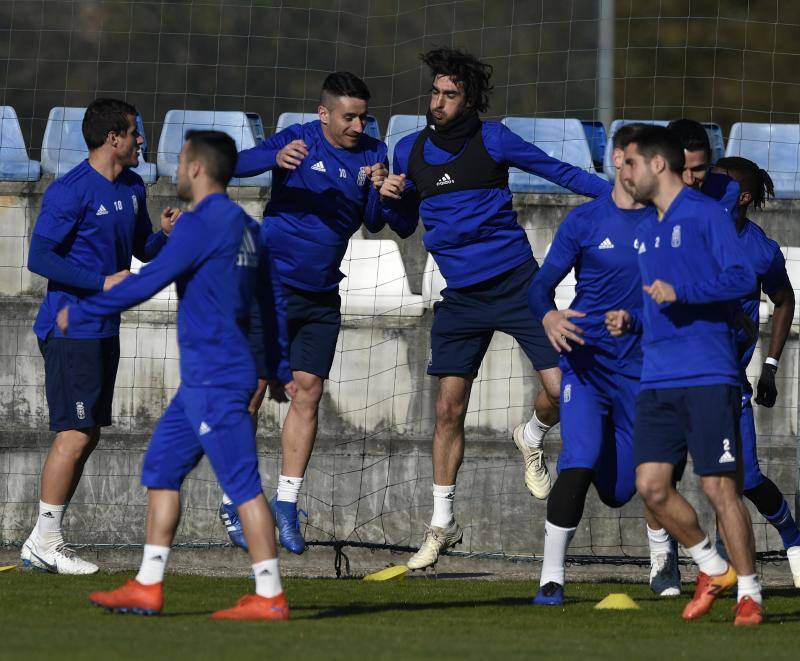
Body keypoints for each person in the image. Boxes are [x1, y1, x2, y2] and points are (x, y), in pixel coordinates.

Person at [378, 47, 610, 570]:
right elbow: (399, 223)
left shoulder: (495, 139)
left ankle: (530, 435)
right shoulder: (408, 150)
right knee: (447, 411)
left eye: (450, 95)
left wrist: (620, 197)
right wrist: (391, 197)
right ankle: (440, 525)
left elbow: (558, 172)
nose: (438, 102)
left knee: (559, 392)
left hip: (517, 285)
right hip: (461, 297)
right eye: (434, 93)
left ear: (469, 100)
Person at [60, 130, 290, 620]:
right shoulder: (249, 229)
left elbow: (146, 280)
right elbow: (270, 305)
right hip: (203, 385)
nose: (177, 167)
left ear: (197, 168)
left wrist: (79, 315)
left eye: (182, 159)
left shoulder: (198, 225)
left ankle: (269, 595)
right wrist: (275, 367)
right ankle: (148, 584)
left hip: (214, 380)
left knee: (243, 484)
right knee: (162, 470)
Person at [226, 71, 410, 555]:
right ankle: (235, 499)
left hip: (323, 293)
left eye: (363, 117)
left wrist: (379, 190)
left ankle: (286, 505)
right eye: (348, 117)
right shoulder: (298, 139)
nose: (357, 125)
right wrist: (273, 157)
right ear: (324, 114)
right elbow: (232, 165)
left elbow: (372, 222)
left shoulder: (374, 151)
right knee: (253, 389)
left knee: (308, 393)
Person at [607, 125, 762, 626]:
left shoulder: (706, 215)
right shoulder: (647, 227)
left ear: (657, 165)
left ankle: (751, 595)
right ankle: (713, 565)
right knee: (650, 486)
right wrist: (630, 317)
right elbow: (655, 292)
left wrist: (685, 292)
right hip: (657, 377)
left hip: (708, 372)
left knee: (721, 489)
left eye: (629, 163)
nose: (622, 173)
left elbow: (742, 277)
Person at [22, 98, 176, 575]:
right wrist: (101, 282)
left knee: (86, 434)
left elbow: (140, 248)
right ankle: (45, 540)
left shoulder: (132, 185)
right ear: (114, 138)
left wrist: (166, 234)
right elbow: (40, 258)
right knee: (74, 432)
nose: (142, 141)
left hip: (103, 327)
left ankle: (43, 539)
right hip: (71, 327)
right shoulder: (70, 191)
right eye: (135, 133)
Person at [527, 124, 679, 605]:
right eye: (635, 161)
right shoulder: (584, 222)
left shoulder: (668, 224)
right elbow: (538, 286)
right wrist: (549, 315)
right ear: (617, 160)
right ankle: (551, 577)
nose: (643, 171)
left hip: (644, 372)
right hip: (585, 366)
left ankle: (663, 559)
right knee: (578, 461)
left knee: (624, 488)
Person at [712, 156, 800, 586]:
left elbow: (784, 301)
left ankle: (791, 534)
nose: (706, 181)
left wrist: (769, 366)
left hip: (728, 382)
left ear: (742, 196)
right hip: (675, 375)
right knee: (656, 471)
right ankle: (669, 565)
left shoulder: (760, 250)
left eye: (719, 179)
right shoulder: (684, 228)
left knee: (743, 478)